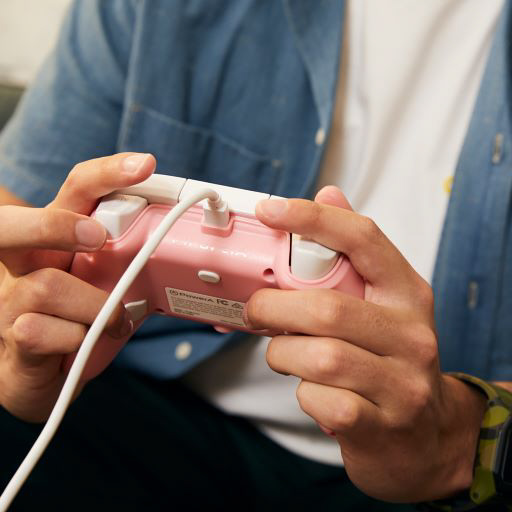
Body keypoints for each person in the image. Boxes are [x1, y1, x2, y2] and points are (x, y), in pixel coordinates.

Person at [0, 0, 510, 510]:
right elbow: (19, 215)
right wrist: (19, 338)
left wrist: (459, 435)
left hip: (421, 475)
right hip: (149, 404)